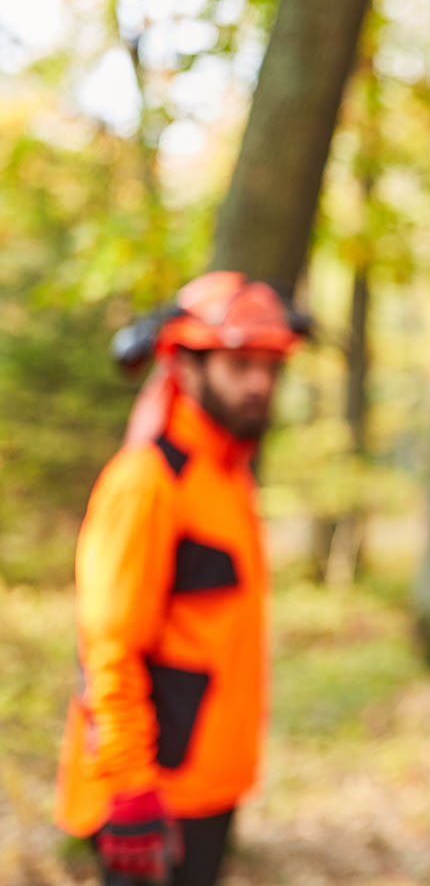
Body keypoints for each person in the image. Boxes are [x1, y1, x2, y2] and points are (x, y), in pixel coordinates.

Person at [56, 272, 305, 886]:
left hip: (208, 790)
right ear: (187, 369)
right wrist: (131, 789)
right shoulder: (146, 484)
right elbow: (109, 646)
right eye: (240, 365)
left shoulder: (228, 477)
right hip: (150, 798)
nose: (259, 384)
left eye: (269, 367)